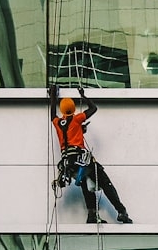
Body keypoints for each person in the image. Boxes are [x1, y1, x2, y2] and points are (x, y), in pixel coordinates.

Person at [50, 85, 133, 225]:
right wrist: (84, 96)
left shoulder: (58, 122)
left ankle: (92, 215)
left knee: (85, 184)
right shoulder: (77, 119)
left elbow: (52, 114)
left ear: (63, 110)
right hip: (81, 158)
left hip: (68, 163)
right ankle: (121, 211)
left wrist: (53, 95)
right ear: (73, 109)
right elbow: (93, 108)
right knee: (105, 182)